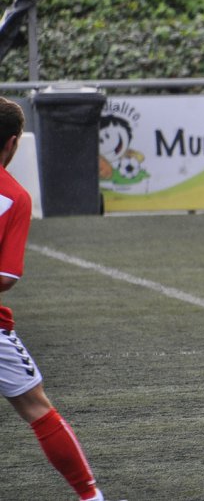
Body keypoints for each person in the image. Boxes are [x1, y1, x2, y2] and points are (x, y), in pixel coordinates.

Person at [0, 97, 104, 500]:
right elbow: (7, 275)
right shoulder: (15, 196)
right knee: (36, 407)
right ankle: (91, 497)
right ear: (12, 143)